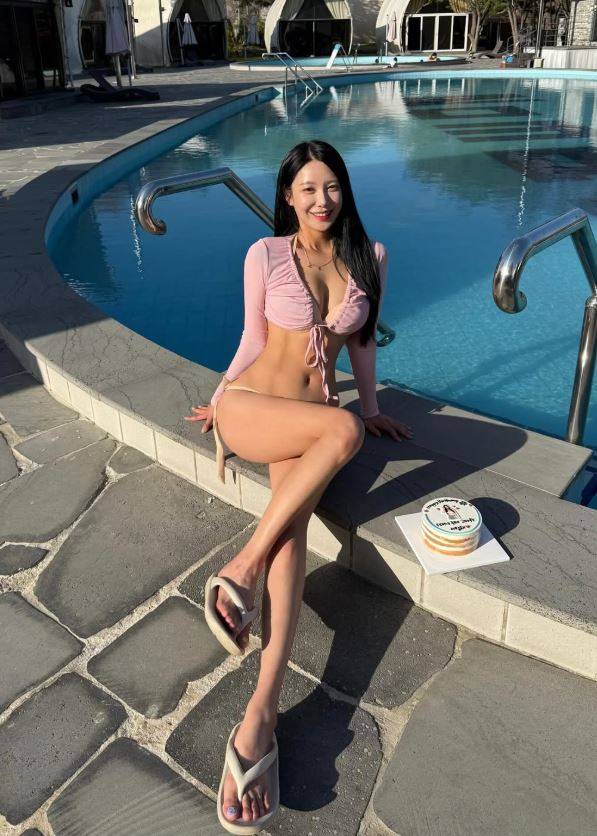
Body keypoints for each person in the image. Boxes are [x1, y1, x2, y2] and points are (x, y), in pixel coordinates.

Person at [185, 140, 412, 833]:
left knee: (294, 533)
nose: (321, 199)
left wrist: (371, 407)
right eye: (307, 188)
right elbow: (251, 339)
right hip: (256, 406)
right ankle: (243, 567)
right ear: (288, 196)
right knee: (341, 433)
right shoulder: (265, 253)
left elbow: (362, 342)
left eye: (331, 186)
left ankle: (259, 717)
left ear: (345, 190)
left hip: (311, 425)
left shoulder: (370, 257)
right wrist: (219, 400)